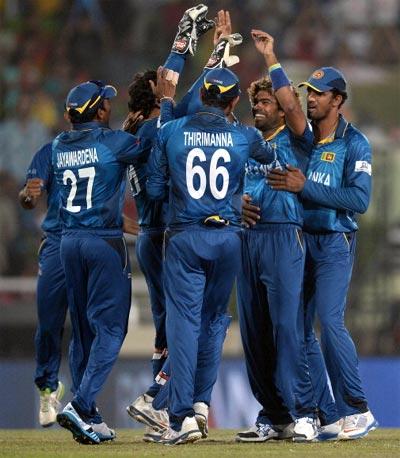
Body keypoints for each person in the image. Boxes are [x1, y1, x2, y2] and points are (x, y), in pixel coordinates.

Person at [146, 66, 275, 445]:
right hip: (229, 239)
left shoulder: (170, 132)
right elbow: (267, 153)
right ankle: (202, 406)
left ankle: (182, 415)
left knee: (184, 323)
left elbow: (154, 191)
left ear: (201, 95)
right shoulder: (243, 134)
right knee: (215, 320)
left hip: (186, 237)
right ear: (234, 102)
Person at [267, 66, 378, 440]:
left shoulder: (355, 143)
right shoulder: (303, 138)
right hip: (300, 241)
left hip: (334, 242)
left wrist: (306, 187)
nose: (310, 98)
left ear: (338, 100)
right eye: (308, 92)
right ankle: (327, 415)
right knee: (297, 330)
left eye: (319, 92)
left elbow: (359, 200)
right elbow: (286, 102)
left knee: (329, 323)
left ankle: (358, 409)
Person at [53, 80, 151, 445]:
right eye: (106, 102)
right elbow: (147, 147)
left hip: (69, 242)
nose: (111, 106)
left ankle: (89, 418)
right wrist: (151, 120)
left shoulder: (60, 145)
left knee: (82, 332)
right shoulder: (115, 143)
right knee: (111, 330)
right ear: (98, 110)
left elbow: (97, 153)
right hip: (103, 244)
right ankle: (80, 405)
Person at [235, 30, 321, 443]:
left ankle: (306, 412)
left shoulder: (297, 138)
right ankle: (274, 415)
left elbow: (291, 101)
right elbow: (224, 186)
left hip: (285, 238)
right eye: (256, 102)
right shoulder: (247, 144)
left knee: (287, 328)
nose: (259, 107)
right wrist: (234, 206)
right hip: (246, 240)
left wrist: (270, 57)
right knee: (253, 334)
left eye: (265, 102)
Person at [19, 145, 67, 428]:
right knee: (48, 320)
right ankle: (48, 389)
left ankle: (85, 400)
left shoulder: (107, 146)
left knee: (90, 324)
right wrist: (28, 196)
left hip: (95, 238)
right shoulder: (52, 151)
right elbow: (27, 196)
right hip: (58, 241)